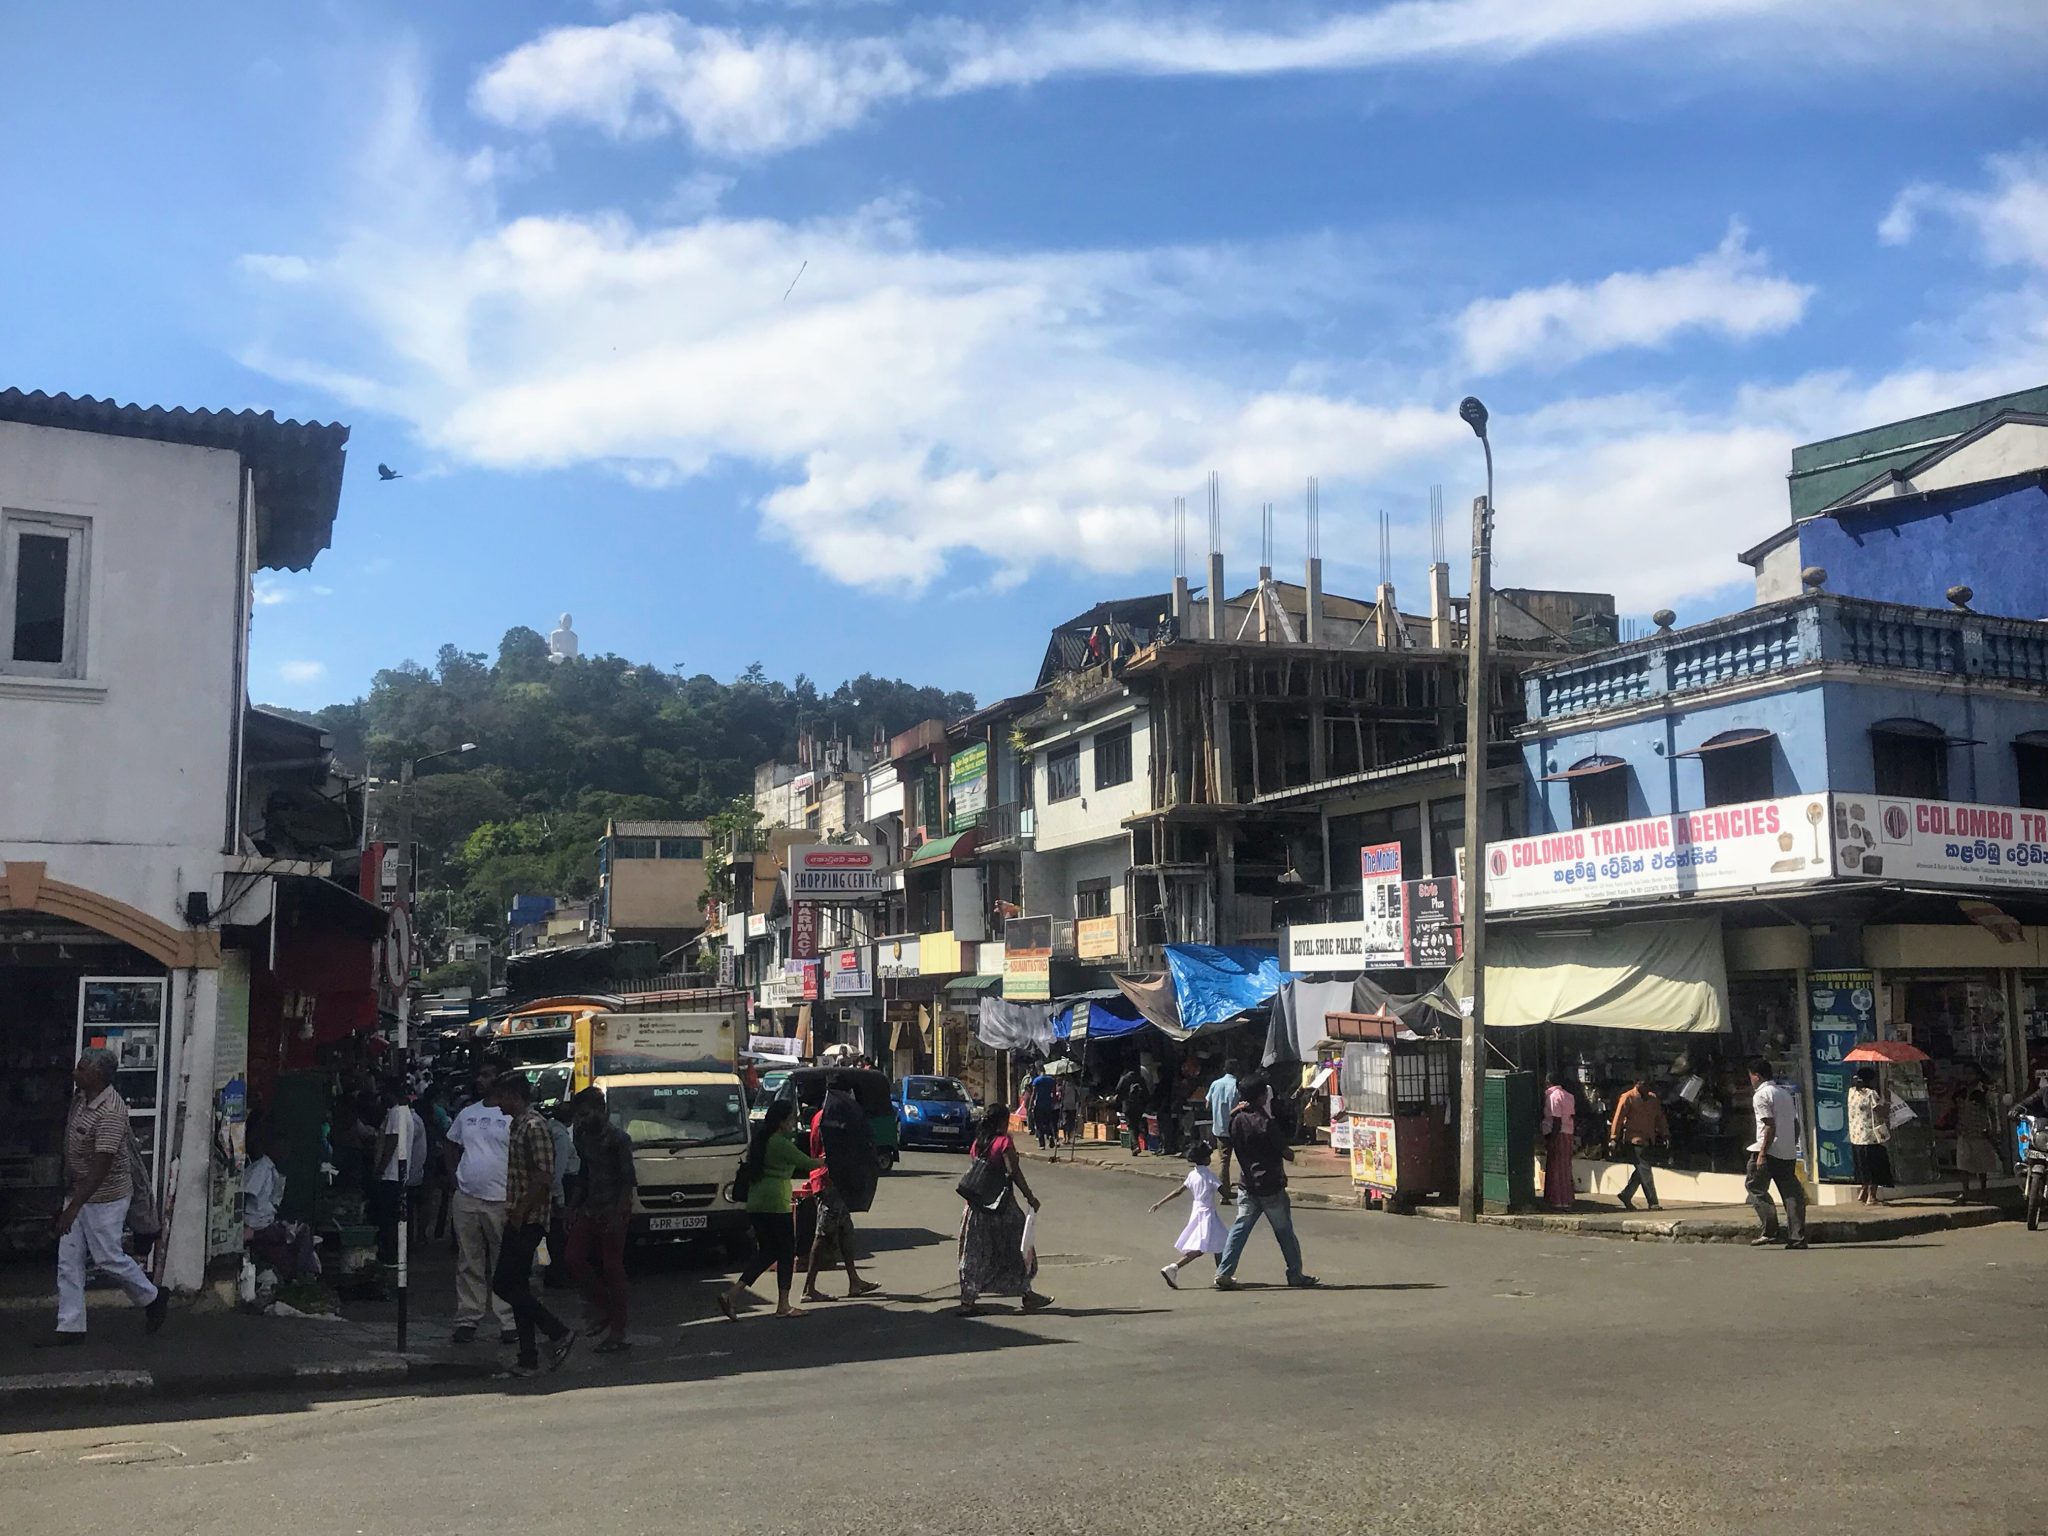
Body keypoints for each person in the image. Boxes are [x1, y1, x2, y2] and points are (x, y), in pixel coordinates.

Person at [40, 1048, 166, 1346]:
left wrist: (73, 1209)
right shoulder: (81, 1098)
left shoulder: (111, 1111)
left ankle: (152, 1298)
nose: (75, 1072)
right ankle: (70, 1326)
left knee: (107, 1257)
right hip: (79, 1190)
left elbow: (100, 1167)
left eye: (81, 1068)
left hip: (105, 1196)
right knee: (68, 1259)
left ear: (98, 1075)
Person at [489, 1073, 576, 1375]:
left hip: (529, 1218)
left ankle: (558, 1331)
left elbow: (543, 1176)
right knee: (516, 1285)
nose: (497, 1104)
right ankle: (528, 1357)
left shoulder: (534, 1126)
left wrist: (521, 1210)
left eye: (500, 1097)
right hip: (517, 1215)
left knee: (503, 1283)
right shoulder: (517, 1125)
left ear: (513, 1095)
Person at [1214, 1077, 1317, 1291]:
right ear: (1261, 1096)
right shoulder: (1266, 1123)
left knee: (1240, 1229)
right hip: (1271, 1185)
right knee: (1284, 1232)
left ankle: (1224, 1272)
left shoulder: (1236, 1120)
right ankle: (1295, 1273)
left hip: (1247, 1183)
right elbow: (1287, 1153)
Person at [720, 1100, 818, 1321]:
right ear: (782, 1122)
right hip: (775, 1203)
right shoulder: (780, 1143)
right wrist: (829, 1160)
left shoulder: (763, 1140)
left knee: (768, 1252)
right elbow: (807, 1163)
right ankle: (783, 1305)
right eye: (791, 1119)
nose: (794, 1123)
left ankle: (732, 1294)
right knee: (785, 1252)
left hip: (757, 1202)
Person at [955, 1106, 1052, 1315]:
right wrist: (1030, 1197)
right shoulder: (1003, 1143)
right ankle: (1026, 1292)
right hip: (1001, 1207)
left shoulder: (977, 1143)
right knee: (1020, 1247)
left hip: (975, 1207)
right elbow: (1013, 1171)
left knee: (974, 1252)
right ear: (1002, 1122)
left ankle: (967, 1301)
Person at [445, 1063, 515, 1345]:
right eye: (480, 1074)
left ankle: (508, 1320)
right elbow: (451, 1143)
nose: (480, 1079)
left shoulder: (511, 1115)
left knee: (503, 1261)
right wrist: (454, 1178)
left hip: (501, 1200)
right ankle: (468, 1317)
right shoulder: (467, 1114)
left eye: (487, 1074)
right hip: (467, 1197)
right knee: (468, 1260)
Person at [800, 1072, 884, 1304]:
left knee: (846, 1230)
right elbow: (834, 1151)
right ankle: (809, 1288)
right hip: (829, 1182)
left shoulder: (821, 1115)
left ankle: (854, 1280)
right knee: (823, 1233)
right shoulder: (831, 1116)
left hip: (830, 1180)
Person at [565, 1087, 636, 1353]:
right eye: (579, 1115)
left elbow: (627, 1180)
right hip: (590, 1207)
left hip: (613, 1209)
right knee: (573, 1258)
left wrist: (620, 1214)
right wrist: (573, 1206)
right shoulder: (583, 1136)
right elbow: (584, 1174)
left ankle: (618, 1330)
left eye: (585, 1114)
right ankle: (604, 1309)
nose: (582, 1120)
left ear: (601, 1110)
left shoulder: (618, 1139)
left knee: (613, 1269)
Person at [1746, 1058, 1808, 1250]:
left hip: (1768, 1149)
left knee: (1755, 1187)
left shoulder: (1761, 1095)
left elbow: (1769, 1126)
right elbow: (1794, 1124)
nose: (1750, 1080)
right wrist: (1791, 1143)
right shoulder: (1784, 1093)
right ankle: (1797, 1237)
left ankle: (1770, 1230)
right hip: (1787, 1152)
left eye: (1751, 1077)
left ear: (1756, 1076)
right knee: (1792, 1194)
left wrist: (1762, 1153)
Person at [243, 1130, 320, 1281]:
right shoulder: (261, 1169)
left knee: (301, 1231)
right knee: (299, 1235)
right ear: (272, 1148)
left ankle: (303, 1276)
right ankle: (301, 1276)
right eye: (282, 1148)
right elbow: (245, 1195)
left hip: (265, 1221)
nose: (285, 1153)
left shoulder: (272, 1170)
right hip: (256, 1223)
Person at [1151, 1141, 1226, 1288]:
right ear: (1205, 1159)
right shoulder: (1210, 1176)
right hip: (1208, 1214)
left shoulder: (1193, 1174)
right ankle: (1173, 1267)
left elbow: (1178, 1192)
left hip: (1197, 1210)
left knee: (1219, 1243)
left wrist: (1160, 1203)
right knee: (1201, 1248)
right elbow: (1226, 1193)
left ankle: (1221, 1274)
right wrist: (1243, 1193)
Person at [373, 1080, 427, 1265]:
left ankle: (390, 1255)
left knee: (388, 1218)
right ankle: (395, 1254)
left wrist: (380, 1167)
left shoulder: (397, 1112)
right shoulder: (405, 1113)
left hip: (391, 1174)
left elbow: (392, 1140)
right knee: (395, 1217)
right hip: (398, 1174)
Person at [1607, 1075, 1670, 1212]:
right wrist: (1613, 1138)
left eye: (1648, 1084)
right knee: (1645, 1169)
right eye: (1643, 1084)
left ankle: (1626, 1194)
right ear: (1636, 1083)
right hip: (1633, 1139)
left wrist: (1665, 1134)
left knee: (1641, 1170)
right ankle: (1653, 1202)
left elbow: (1660, 1118)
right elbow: (1618, 1118)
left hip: (1649, 1139)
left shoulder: (1653, 1099)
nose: (1646, 1087)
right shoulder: (1627, 1097)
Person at [1846, 1068, 1893, 1207]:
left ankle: (1862, 1192)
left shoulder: (1851, 1092)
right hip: (1871, 1137)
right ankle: (1871, 1197)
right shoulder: (1871, 1094)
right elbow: (1881, 1112)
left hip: (1856, 1136)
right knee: (1875, 1167)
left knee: (1863, 1167)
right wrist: (1888, 1100)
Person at [1953, 1080, 2004, 1202]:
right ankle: (1965, 1191)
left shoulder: (1984, 1093)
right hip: (1964, 1133)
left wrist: (1993, 1128)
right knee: (1962, 1163)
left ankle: (1983, 1190)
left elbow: (1992, 1111)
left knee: (1981, 1165)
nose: (1967, 1077)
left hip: (1980, 1133)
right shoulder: (1961, 1092)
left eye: (1970, 1074)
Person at [1540, 1071, 1578, 1211]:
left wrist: (1552, 1139)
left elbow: (1556, 1120)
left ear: (1548, 1082)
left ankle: (1557, 1200)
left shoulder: (1553, 1096)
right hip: (1568, 1133)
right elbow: (1572, 1116)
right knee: (1565, 1168)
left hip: (1557, 1133)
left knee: (1555, 1168)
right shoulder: (1569, 1096)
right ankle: (1567, 1199)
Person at [1206, 1064, 1239, 1191]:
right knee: (1244, 1159)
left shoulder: (1215, 1084)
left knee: (1224, 1161)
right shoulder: (1237, 1085)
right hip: (1236, 1127)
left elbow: (1207, 1104)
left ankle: (1224, 1190)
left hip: (1220, 1128)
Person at [1116, 1066, 1152, 1156]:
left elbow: (1118, 1090)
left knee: (1131, 1126)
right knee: (1136, 1125)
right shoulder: (1140, 1078)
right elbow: (1146, 1093)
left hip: (1128, 1105)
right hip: (1139, 1105)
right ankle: (1134, 1147)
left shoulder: (1124, 1078)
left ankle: (1136, 1146)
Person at [1028, 1066, 1060, 1151]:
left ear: (1039, 1071)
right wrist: (1053, 1103)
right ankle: (1050, 1136)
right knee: (1048, 1122)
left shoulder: (1037, 1080)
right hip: (1048, 1104)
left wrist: (1030, 1105)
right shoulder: (1051, 1080)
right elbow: (1053, 1093)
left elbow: (1034, 1094)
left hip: (1039, 1105)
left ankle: (1042, 1144)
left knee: (1039, 1124)